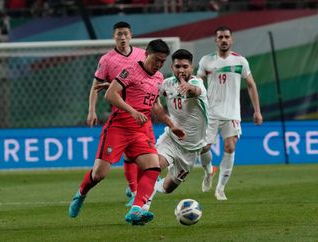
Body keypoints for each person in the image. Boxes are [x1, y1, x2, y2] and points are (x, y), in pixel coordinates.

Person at [68, 39, 185, 226]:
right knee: (99, 174)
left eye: (162, 62)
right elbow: (110, 94)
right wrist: (132, 111)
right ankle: (81, 194)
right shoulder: (130, 70)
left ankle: (136, 209)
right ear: (147, 54)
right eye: (156, 60)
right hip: (119, 127)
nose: (159, 65)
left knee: (153, 167)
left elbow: (155, 106)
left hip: (139, 131)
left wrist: (172, 125)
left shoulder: (158, 79)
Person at [197, 25, 263, 200]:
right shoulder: (206, 61)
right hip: (210, 112)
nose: (224, 40)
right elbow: (198, 82)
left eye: (227, 37)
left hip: (232, 113)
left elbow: (251, 85)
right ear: (216, 40)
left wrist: (257, 111)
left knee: (230, 146)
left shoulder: (240, 61)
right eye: (220, 37)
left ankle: (220, 188)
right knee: (203, 148)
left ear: (231, 40)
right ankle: (209, 170)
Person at [87, 21, 146, 207]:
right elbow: (95, 86)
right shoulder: (106, 60)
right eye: (119, 34)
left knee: (139, 157)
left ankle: (135, 191)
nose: (122, 37)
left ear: (131, 35)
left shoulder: (142, 54)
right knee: (124, 159)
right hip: (120, 114)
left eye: (125, 34)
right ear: (114, 37)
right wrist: (92, 110)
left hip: (141, 113)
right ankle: (134, 190)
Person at [142, 49, 209, 211]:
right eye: (177, 66)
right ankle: (142, 206)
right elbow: (150, 92)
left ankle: (151, 186)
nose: (181, 70)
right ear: (172, 68)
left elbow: (196, 91)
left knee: (168, 188)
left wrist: (188, 87)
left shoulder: (197, 84)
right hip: (171, 139)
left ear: (191, 67)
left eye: (185, 66)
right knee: (154, 166)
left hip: (191, 149)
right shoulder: (167, 84)